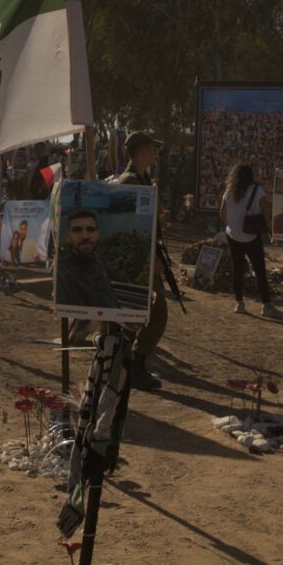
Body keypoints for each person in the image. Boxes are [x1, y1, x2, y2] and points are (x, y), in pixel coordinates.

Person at [117, 130, 169, 390]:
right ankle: (134, 366)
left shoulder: (140, 179)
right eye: (152, 148)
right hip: (139, 259)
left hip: (141, 258)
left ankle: (127, 365)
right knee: (156, 312)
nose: (155, 153)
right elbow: (135, 227)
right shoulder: (131, 181)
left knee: (137, 314)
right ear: (141, 151)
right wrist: (151, 259)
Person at [220, 163, 283, 318]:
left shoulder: (229, 191)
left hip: (233, 235)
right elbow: (267, 211)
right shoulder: (257, 191)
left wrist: (233, 223)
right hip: (251, 236)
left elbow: (222, 214)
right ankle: (266, 305)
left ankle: (239, 303)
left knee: (238, 269)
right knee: (259, 270)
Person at [56, 208, 118, 308]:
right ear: (68, 237)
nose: (85, 236)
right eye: (77, 230)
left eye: (90, 230)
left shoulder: (99, 261)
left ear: (98, 234)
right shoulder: (61, 273)